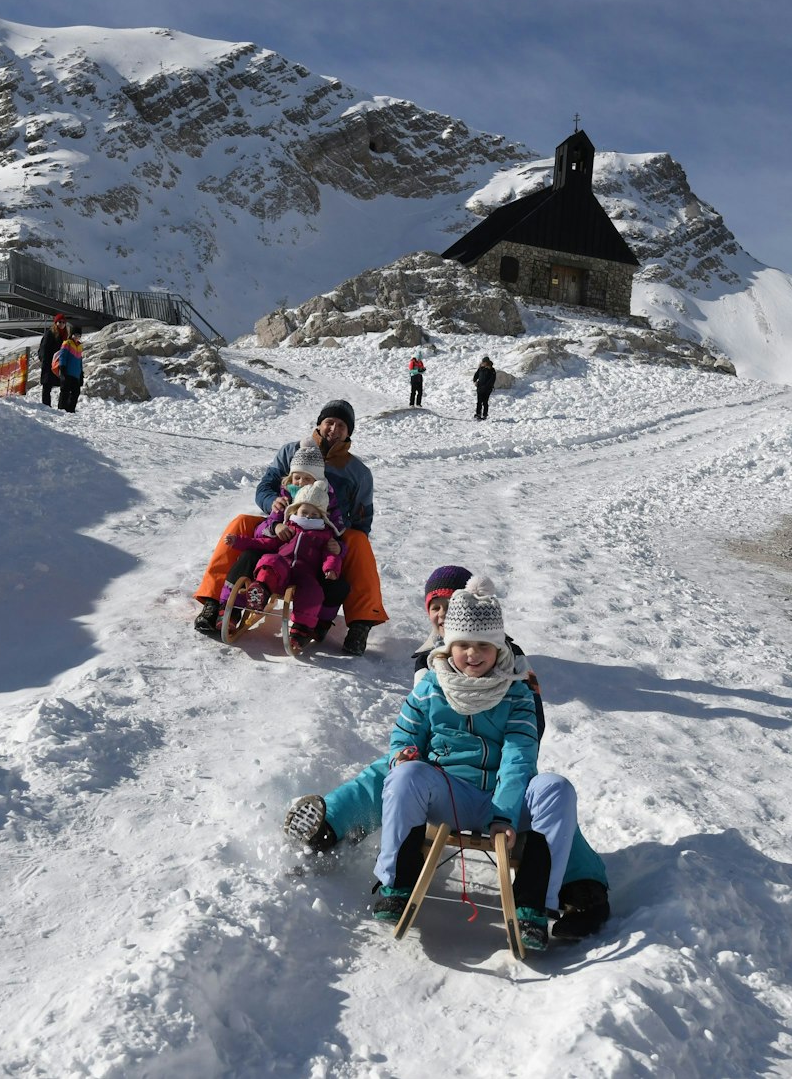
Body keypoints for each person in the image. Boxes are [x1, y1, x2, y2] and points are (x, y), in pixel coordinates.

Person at [285, 565, 613, 942]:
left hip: (502, 784)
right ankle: (331, 828)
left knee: (554, 795)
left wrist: (504, 809)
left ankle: (573, 890)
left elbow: (523, 749)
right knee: (392, 774)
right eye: (435, 607)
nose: (442, 615)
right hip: (443, 782)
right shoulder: (429, 669)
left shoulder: (515, 674)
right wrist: (406, 756)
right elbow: (411, 729)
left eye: (449, 604)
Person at [192, 400, 386, 654]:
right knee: (241, 523)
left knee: (358, 540)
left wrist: (337, 544)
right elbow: (265, 487)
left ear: (349, 432)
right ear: (319, 423)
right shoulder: (290, 451)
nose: (334, 429)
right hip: (281, 526)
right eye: (329, 422)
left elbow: (362, 520)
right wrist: (272, 502)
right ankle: (214, 602)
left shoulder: (357, 472)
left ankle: (361, 623)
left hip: (323, 534)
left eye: (342, 425)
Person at [222, 480, 344, 654]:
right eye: (304, 512)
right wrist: (238, 541)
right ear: (295, 511)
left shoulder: (324, 536)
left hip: (304, 574)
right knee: (271, 560)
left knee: (313, 591)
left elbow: (330, 555)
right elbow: (265, 542)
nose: (308, 517)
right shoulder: (288, 528)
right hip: (281, 569)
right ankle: (260, 591)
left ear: (322, 517)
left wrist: (331, 569)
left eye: (314, 514)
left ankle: (301, 629)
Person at [51, 325, 84, 412]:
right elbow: (63, 357)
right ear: (71, 335)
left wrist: (81, 374)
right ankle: (62, 409)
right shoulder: (67, 343)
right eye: (75, 335)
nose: (77, 337)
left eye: (79, 335)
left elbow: (80, 361)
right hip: (67, 372)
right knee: (65, 391)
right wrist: (62, 368)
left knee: (76, 392)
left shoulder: (80, 346)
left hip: (76, 374)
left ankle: (71, 409)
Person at [38, 315, 67, 407]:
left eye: (63, 322)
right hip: (48, 362)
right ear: (55, 323)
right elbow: (44, 348)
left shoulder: (65, 335)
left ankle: (62, 406)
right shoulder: (50, 333)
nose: (61, 324)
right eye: (59, 322)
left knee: (64, 385)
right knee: (47, 385)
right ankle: (46, 406)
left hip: (58, 363)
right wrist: (44, 361)